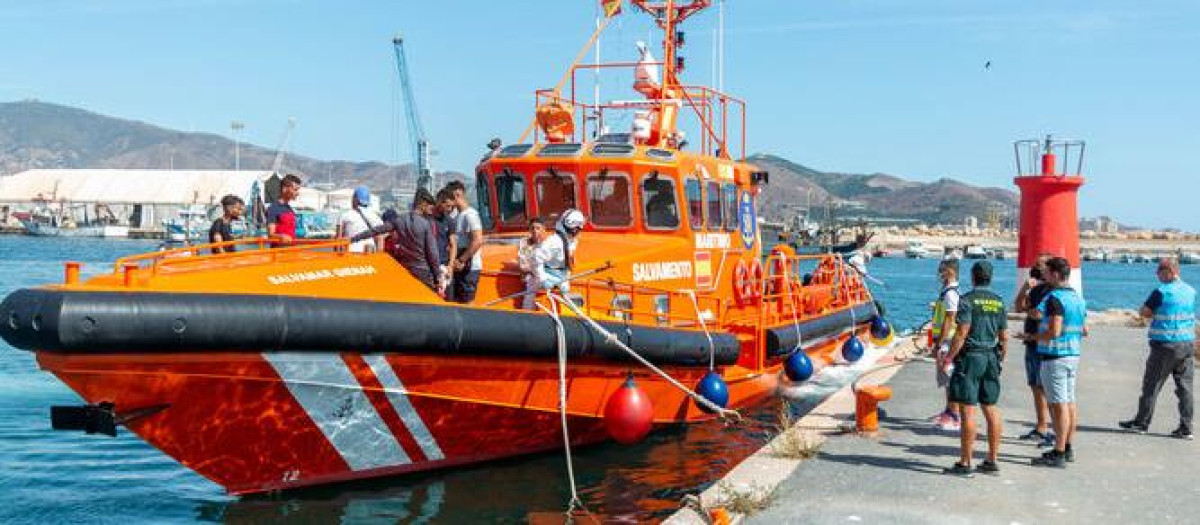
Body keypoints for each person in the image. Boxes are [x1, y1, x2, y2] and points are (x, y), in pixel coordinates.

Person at [942, 261, 1008, 476]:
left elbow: (961, 332)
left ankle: (966, 462)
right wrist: (1000, 360)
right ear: (990, 277)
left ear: (973, 277)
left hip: (970, 358)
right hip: (991, 356)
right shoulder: (999, 302)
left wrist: (949, 358)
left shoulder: (967, 300)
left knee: (967, 409)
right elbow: (1004, 337)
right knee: (991, 407)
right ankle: (992, 459)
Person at [1020, 257, 1087, 467]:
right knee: (1069, 402)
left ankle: (1058, 452)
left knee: (1058, 405)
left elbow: (1054, 331)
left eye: (1047, 272)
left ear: (1056, 275)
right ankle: (1067, 447)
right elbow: (1084, 329)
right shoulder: (1077, 297)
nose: (1043, 275)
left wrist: (1032, 338)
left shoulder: (1055, 297)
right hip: (1073, 355)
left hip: (1054, 356)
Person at [1119, 258, 1195, 440]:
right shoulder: (1190, 290)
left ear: (1170, 271)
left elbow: (1145, 312)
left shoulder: (1162, 292)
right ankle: (1186, 428)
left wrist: (1147, 311)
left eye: (1159, 270)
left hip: (1165, 344)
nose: (1157, 274)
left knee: (1151, 386)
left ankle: (1141, 423)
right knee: (1185, 388)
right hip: (1186, 343)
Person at [352, 189, 442, 293]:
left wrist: (354, 239)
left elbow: (376, 230)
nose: (432, 209)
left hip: (405, 271)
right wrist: (437, 276)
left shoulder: (400, 220)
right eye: (430, 206)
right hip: (422, 272)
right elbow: (433, 253)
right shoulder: (426, 224)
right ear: (423, 204)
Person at [1014, 254, 1056, 447]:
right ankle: (1041, 427)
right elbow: (1019, 307)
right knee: (1035, 386)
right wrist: (1025, 288)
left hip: (1042, 343)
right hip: (1031, 343)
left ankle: (1055, 430)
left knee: (1047, 388)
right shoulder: (1036, 289)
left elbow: (1036, 314)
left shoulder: (1053, 292)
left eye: (1039, 266)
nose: (1036, 269)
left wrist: (1031, 311)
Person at [930, 258, 962, 432]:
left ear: (950, 272)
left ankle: (954, 415)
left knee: (949, 378)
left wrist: (939, 343)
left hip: (947, 341)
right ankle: (949, 410)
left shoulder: (950, 294)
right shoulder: (948, 292)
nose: (940, 274)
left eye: (942, 271)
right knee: (946, 379)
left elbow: (950, 319)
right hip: (946, 341)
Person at [446, 180, 484, 303]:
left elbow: (478, 240)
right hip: (462, 267)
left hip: (469, 267)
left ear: (457, 195)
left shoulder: (470, 215)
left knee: (468, 302)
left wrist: (462, 260)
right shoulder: (458, 216)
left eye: (449, 197)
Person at [336, 186, 384, 253]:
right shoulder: (376, 217)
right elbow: (380, 240)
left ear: (355, 199)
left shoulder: (344, 215)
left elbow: (338, 240)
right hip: (369, 254)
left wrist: (338, 255)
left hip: (350, 253)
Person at [434, 189, 459, 293]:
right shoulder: (428, 219)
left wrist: (450, 266)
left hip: (444, 266)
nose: (450, 209)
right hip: (430, 267)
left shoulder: (450, 221)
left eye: (452, 207)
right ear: (440, 202)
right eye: (448, 206)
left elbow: (453, 244)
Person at [267, 174, 302, 245]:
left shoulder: (290, 209)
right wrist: (282, 237)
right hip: (279, 253)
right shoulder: (273, 208)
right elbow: (270, 235)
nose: (297, 193)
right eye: (295, 190)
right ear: (284, 189)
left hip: (291, 251)